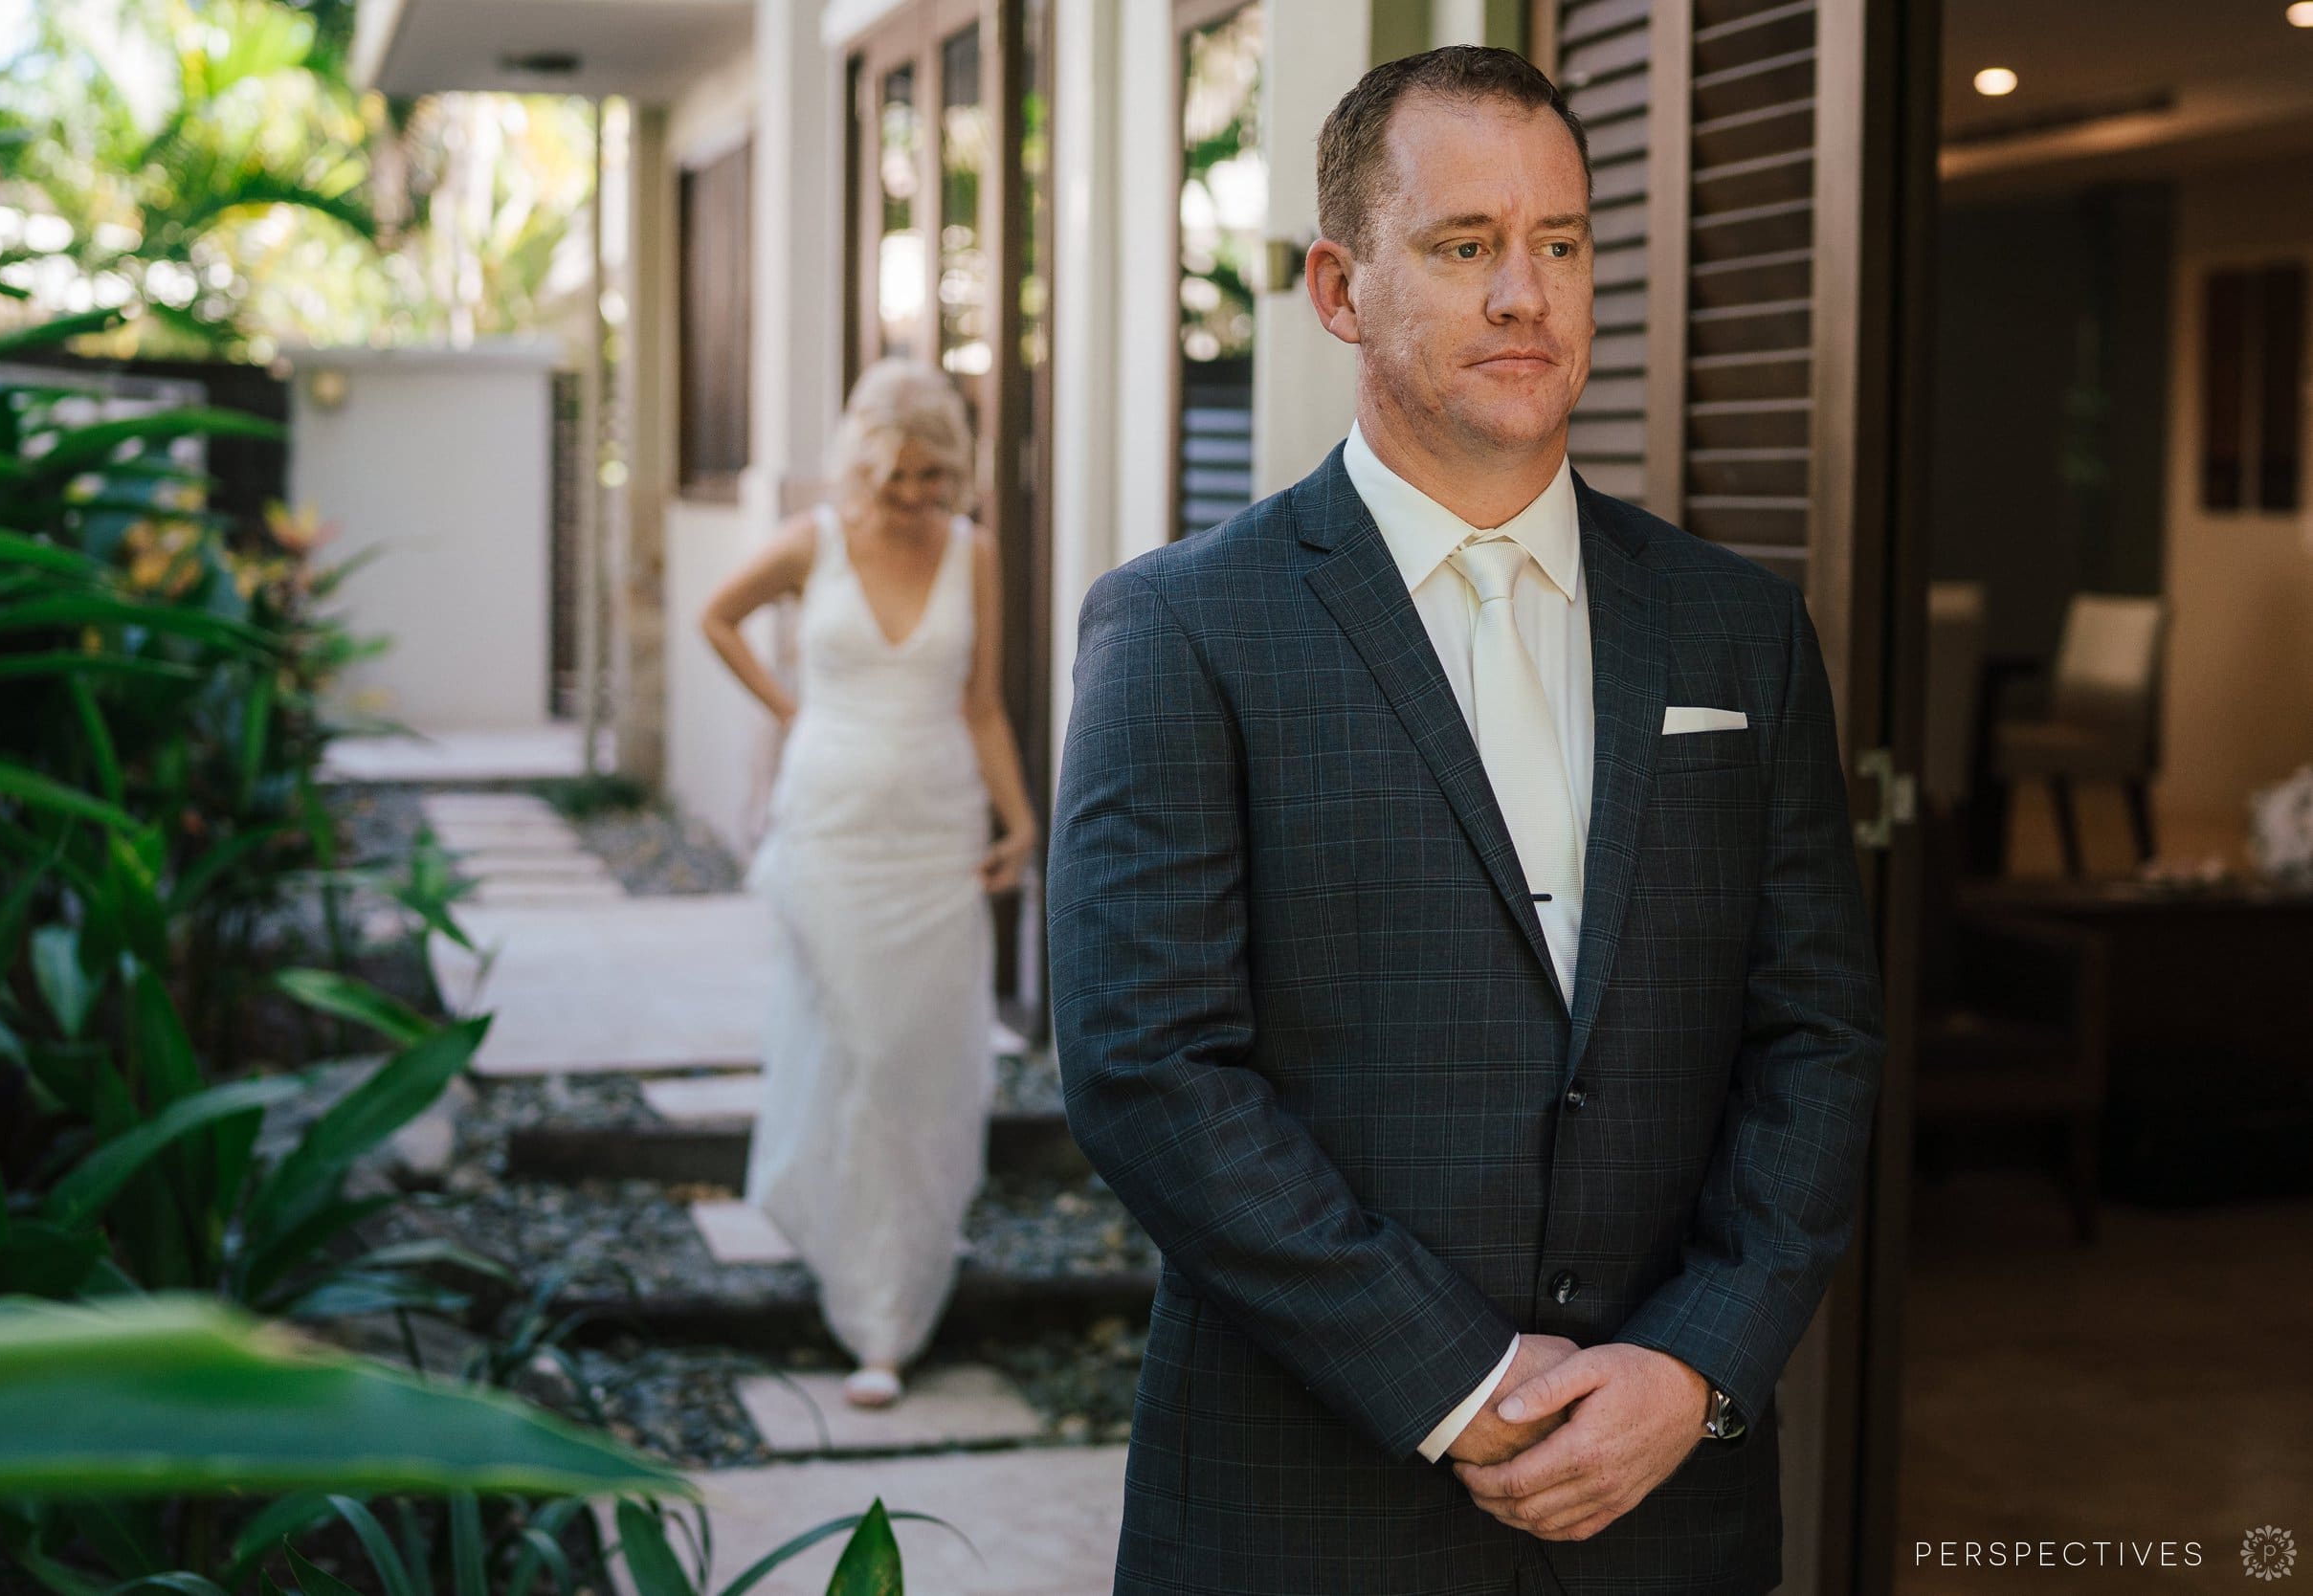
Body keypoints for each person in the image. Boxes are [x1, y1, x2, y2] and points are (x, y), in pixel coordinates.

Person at [1047, 45, 1883, 1595]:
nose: (1527, 292)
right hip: (1304, 1498)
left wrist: (1691, 1368)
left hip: (1666, 1508)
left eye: (1560, 243)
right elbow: (1146, 1063)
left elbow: (1818, 1036)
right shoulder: (1184, 629)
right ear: (1339, 286)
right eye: (1464, 245)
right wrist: (1455, 1375)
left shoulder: (1738, 630)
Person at [700, 357, 1037, 1409]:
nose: (914, 498)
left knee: (919, 1062)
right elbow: (717, 618)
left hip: (934, 837)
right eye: (898, 477)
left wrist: (1021, 816)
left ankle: (890, 1300)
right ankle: (863, 1296)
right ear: (863, 464)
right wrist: (792, 708)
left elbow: (981, 703)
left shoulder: (972, 553)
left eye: (935, 479)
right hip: (830, 834)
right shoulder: (815, 541)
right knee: (861, 1049)